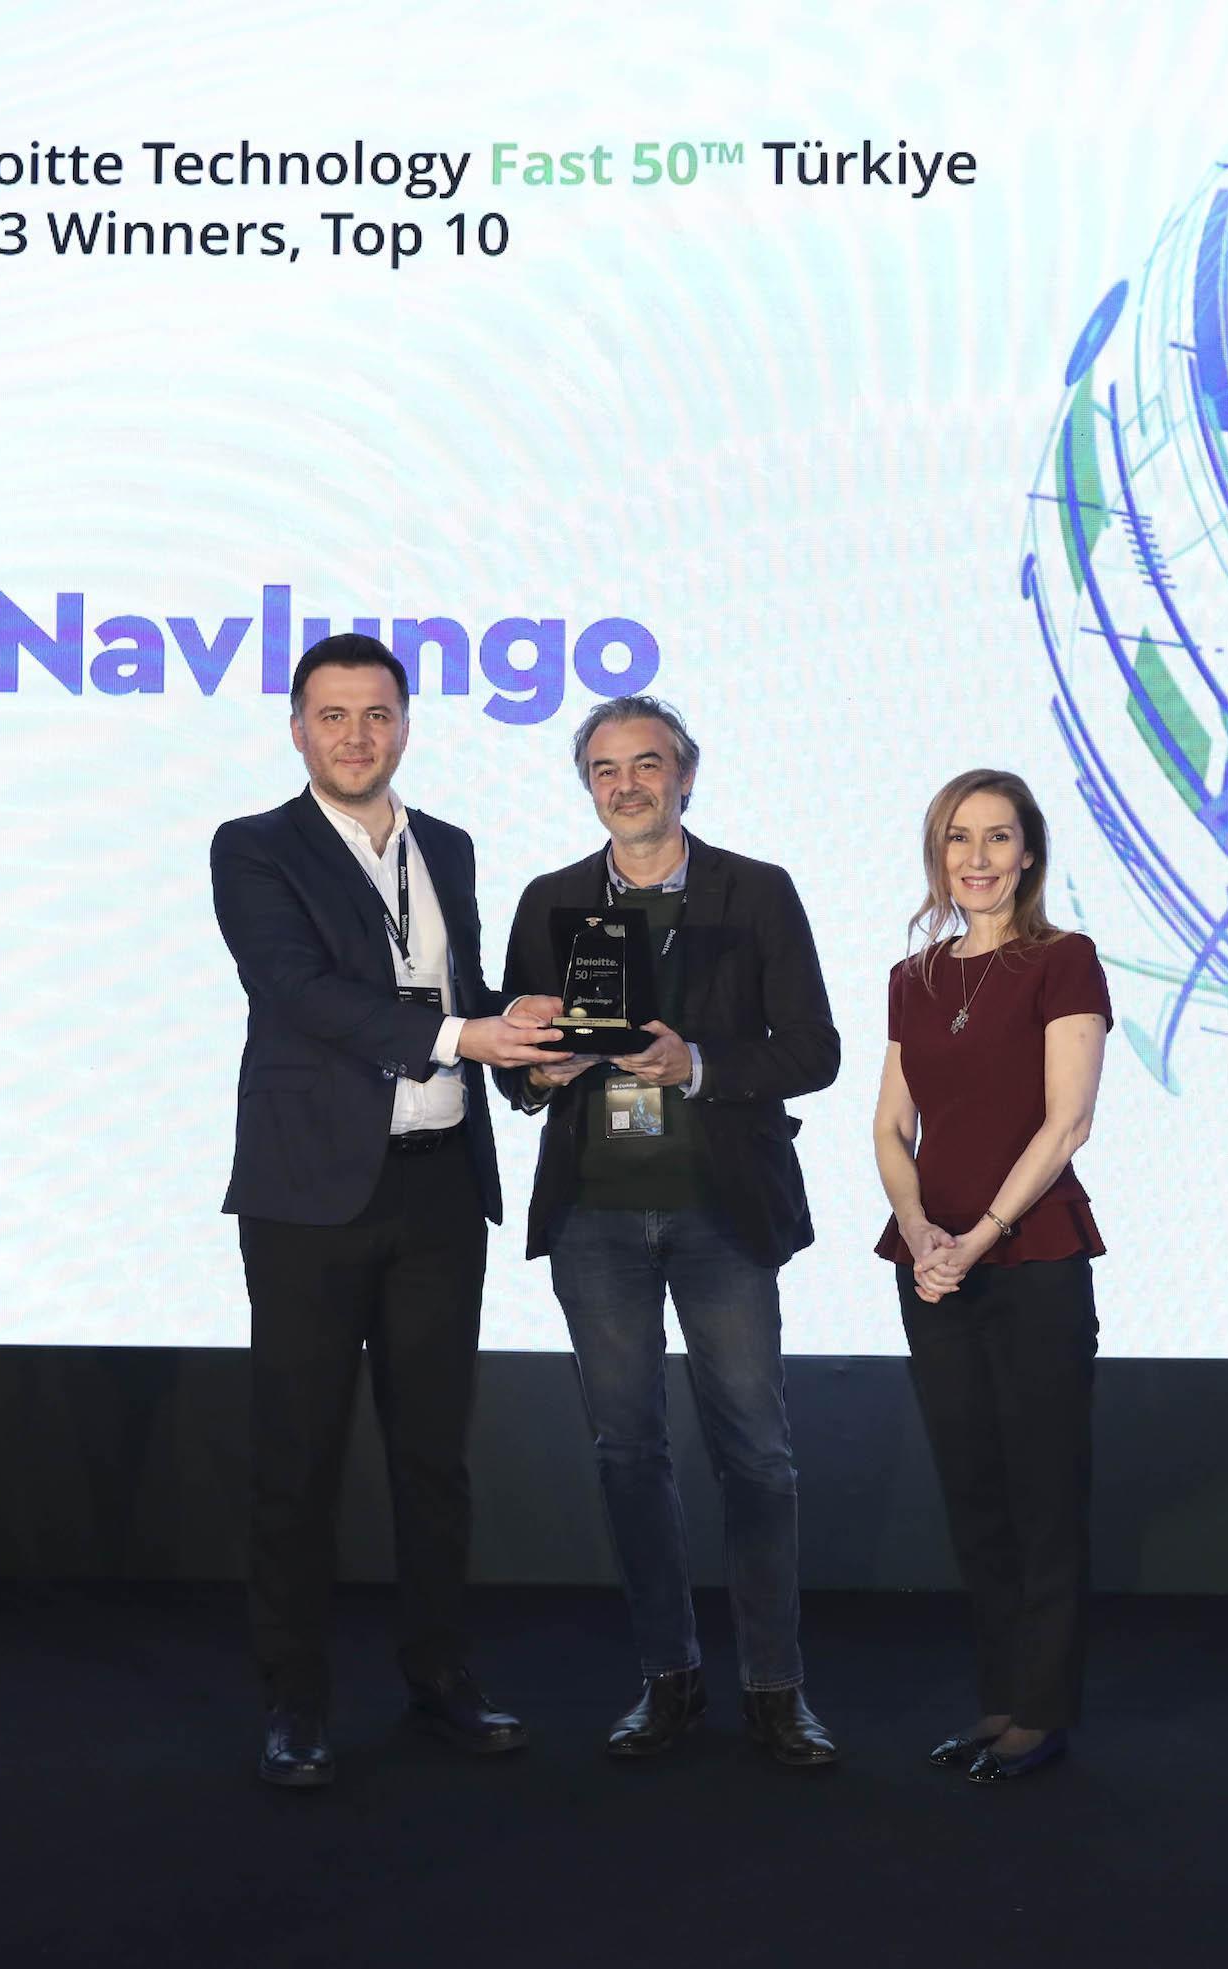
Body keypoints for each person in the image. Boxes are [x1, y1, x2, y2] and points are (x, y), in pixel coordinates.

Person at [210, 632, 571, 1790]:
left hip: (437, 1186)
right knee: (298, 1457)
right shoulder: (253, 847)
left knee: (433, 1455)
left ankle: (441, 1679)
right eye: (333, 715)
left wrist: (528, 1049)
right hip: (308, 1194)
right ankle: (294, 1702)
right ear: (297, 730)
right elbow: (299, 993)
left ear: (406, 724)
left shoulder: (447, 847)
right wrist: (469, 1032)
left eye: (376, 714)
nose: (356, 735)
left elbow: (459, 998)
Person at [495, 694, 844, 1767]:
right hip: (594, 1217)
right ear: (587, 786)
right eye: (605, 769)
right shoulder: (550, 900)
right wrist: (539, 1066)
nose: (627, 785)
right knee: (628, 1453)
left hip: (719, 1209)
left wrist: (697, 1063)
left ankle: (775, 1688)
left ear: (684, 775)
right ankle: (668, 1678)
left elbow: (815, 1051)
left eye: (646, 764)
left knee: (758, 1455)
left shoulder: (757, 890)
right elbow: (515, 1071)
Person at [871, 768, 1112, 1785]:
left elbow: (1068, 1121)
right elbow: (890, 1126)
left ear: (1028, 854)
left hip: (1031, 1254)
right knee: (972, 1487)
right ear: (939, 855)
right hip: (931, 1262)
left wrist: (977, 1237)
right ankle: (1001, 1699)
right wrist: (919, 1227)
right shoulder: (913, 975)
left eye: (997, 837)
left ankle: (1042, 1713)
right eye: (957, 837)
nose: (976, 857)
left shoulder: (1063, 959)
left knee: (1042, 1487)